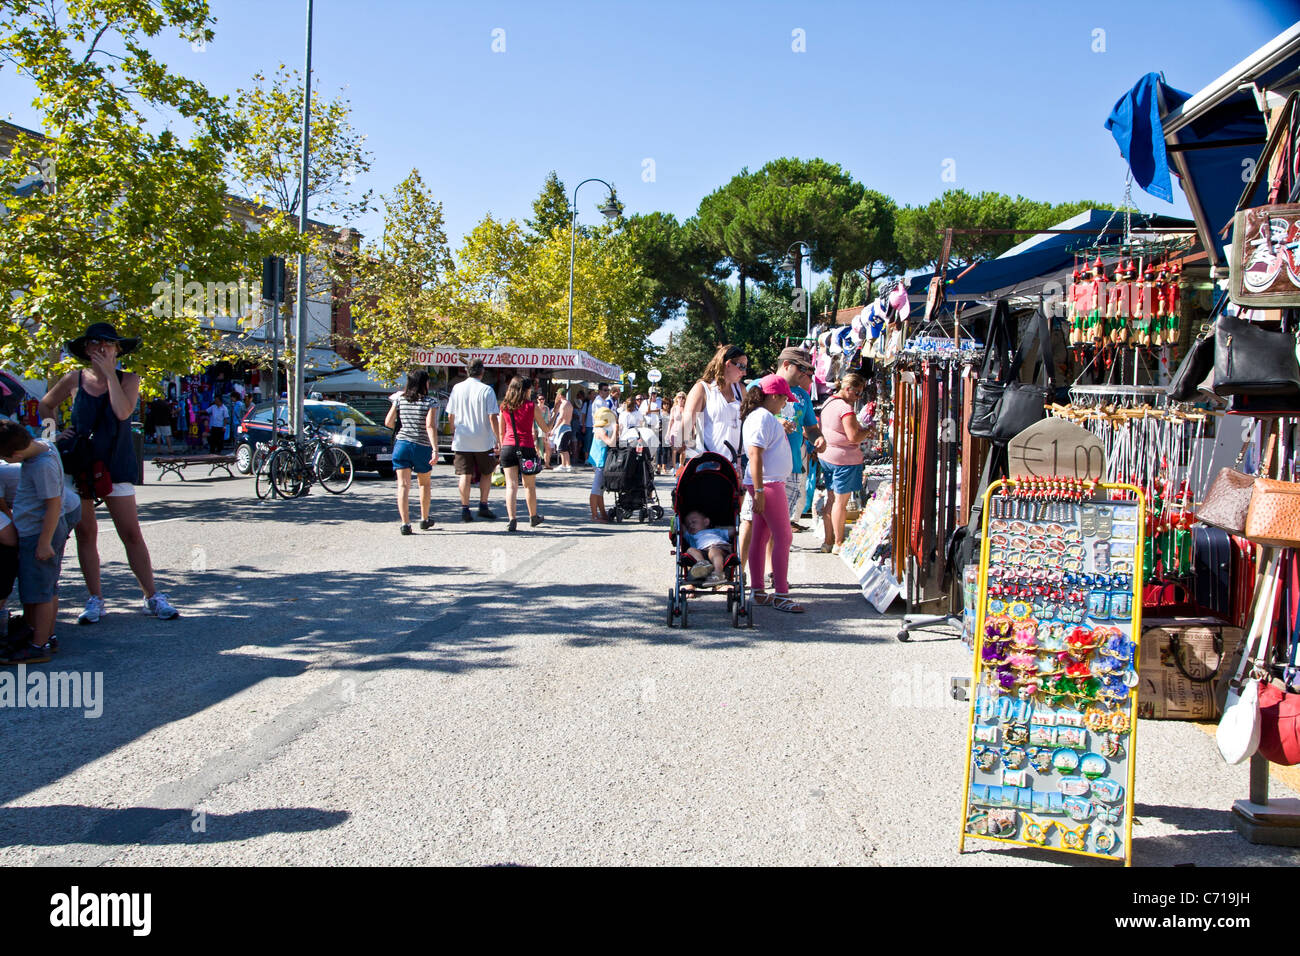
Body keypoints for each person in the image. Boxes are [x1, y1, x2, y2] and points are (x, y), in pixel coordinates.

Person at [38, 323, 179, 623]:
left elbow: (122, 411)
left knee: (130, 533)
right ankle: (95, 599)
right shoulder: (74, 379)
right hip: (81, 466)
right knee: (86, 533)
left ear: (117, 349)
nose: (101, 348)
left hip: (114, 465)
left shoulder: (129, 379)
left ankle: (151, 595)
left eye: (108, 344)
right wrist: (53, 437)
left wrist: (110, 376)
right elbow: (46, 405)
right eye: (95, 344)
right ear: (86, 349)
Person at [0, 420, 83, 662]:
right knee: (41, 587)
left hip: (40, 533)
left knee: (40, 592)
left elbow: (54, 505)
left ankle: (38, 646)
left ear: (15, 454)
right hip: (34, 530)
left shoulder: (42, 467)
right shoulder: (43, 445)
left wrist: (45, 542)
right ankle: (40, 634)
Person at [740, 375, 803, 613]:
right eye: (784, 399)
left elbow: (757, 454)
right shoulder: (763, 417)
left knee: (761, 536)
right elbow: (754, 454)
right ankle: (781, 594)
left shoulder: (762, 416)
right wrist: (759, 491)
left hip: (766, 483)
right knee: (783, 537)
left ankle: (758, 589)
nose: (785, 404)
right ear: (774, 396)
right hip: (768, 483)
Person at [384, 369, 440, 535]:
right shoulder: (430, 402)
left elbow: (388, 422)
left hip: (401, 445)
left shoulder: (400, 400)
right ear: (424, 383)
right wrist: (435, 449)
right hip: (421, 446)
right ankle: (424, 518)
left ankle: (405, 523)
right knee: (424, 483)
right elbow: (430, 426)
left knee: (402, 485)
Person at [819, 372, 870, 554]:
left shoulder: (828, 402)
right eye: (857, 393)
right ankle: (839, 543)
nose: (858, 398)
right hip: (844, 460)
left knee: (831, 499)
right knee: (840, 502)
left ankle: (828, 540)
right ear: (847, 389)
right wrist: (867, 431)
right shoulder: (845, 409)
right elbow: (853, 436)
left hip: (827, 456)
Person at [445, 359, 500, 523]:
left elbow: (450, 415)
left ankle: (465, 508)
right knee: (486, 472)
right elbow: (492, 416)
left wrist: (454, 430)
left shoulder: (457, 388)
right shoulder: (486, 390)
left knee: (464, 474)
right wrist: (498, 438)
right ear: (482, 372)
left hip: (462, 438)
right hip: (483, 439)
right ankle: (483, 505)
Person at [498, 376, 549, 532]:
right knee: (529, 486)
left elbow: (501, 431)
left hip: (507, 446)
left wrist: (502, 447)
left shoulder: (504, 406)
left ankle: (512, 519)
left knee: (511, 485)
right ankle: (533, 516)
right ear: (526, 390)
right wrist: (554, 417)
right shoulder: (530, 406)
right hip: (526, 447)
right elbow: (545, 428)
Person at [682, 345, 746, 464]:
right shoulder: (702, 389)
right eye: (741, 366)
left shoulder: (741, 390)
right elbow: (684, 430)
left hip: (738, 464)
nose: (744, 372)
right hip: (709, 463)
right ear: (728, 364)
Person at [682, 509, 731, 588]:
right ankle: (702, 563)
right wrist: (677, 521)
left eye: (694, 522)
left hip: (720, 547)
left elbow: (733, 531)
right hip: (703, 552)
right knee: (690, 550)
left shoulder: (715, 531)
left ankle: (718, 573)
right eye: (688, 525)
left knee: (713, 550)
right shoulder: (692, 536)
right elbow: (682, 528)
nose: (691, 526)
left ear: (706, 522)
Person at [588, 406, 618, 523]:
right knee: (596, 489)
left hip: (600, 461)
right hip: (600, 461)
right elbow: (611, 443)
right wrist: (615, 430)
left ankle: (603, 513)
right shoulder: (600, 430)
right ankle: (594, 515)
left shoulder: (601, 428)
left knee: (600, 489)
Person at [550, 386, 574, 472]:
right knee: (565, 448)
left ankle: (564, 465)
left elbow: (561, 418)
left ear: (560, 395)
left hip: (563, 428)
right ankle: (568, 465)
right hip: (568, 427)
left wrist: (553, 429)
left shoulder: (563, 404)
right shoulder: (569, 404)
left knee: (561, 448)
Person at [667, 392, 686, 471]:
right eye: (679, 397)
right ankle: (675, 467)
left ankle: (681, 466)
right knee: (674, 450)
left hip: (684, 431)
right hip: (674, 431)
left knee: (683, 450)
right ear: (676, 398)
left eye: (683, 397)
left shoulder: (687, 408)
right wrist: (668, 433)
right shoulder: (674, 408)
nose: (681, 399)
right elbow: (671, 421)